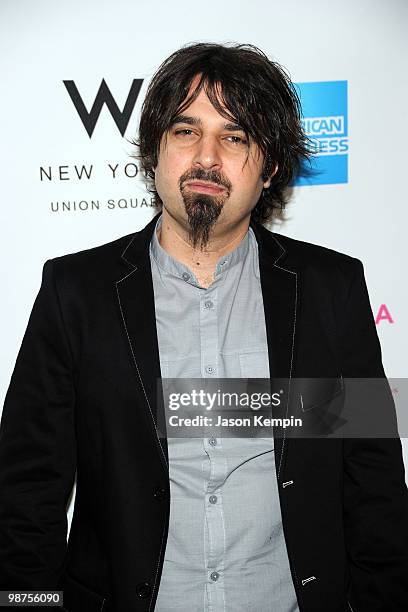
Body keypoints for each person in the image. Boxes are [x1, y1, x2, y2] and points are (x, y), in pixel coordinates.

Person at [0, 42, 407, 612]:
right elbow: (28, 490)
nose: (207, 157)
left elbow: (373, 476)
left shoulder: (329, 288)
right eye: (186, 131)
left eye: (235, 137)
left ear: (268, 170)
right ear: (155, 152)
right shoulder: (76, 293)